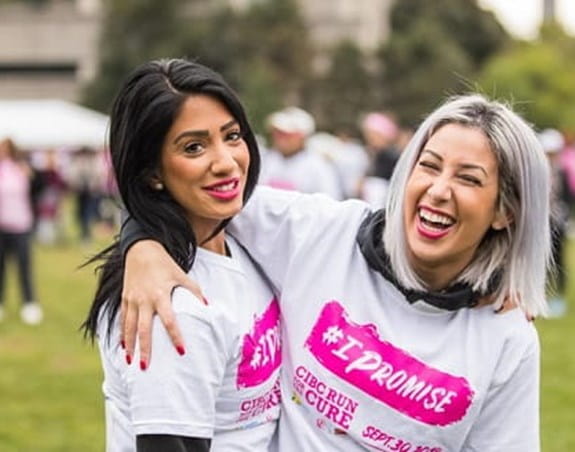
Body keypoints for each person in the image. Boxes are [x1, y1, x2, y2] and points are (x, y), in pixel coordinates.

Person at [122, 94, 550, 451]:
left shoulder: (506, 337)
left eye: (470, 180)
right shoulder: (323, 234)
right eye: (429, 166)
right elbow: (198, 195)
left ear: (505, 211)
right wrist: (142, 244)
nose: (438, 191)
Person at [81, 58, 281, 452]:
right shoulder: (172, 313)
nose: (226, 162)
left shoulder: (242, 236)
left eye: (233, 135)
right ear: (152, 172)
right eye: (194, 147)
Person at [0, 138, 43, 325]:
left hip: (22, 225)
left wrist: (32, 177)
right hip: (2, 226)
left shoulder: (22, 168)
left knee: (24, 266)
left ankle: (29, 303)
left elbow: (38, 189)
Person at [259, 106, 343, 199]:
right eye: (277, 132)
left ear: (302, 136)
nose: (280, 138)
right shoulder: (266, 160)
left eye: (286, 134)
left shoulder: (319, 166)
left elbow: (330, 202)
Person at [539, 128, 572, 317]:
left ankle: (558, 297)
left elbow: (567, 197)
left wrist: (565, 218)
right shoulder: (539, 172)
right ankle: (542, 295)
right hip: (543, 224)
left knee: (559, 261)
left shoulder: (562, 171)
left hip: (558, 223)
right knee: (542, 261)